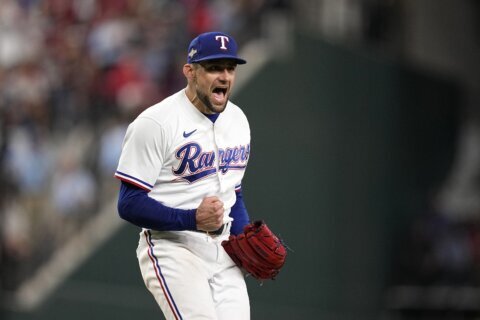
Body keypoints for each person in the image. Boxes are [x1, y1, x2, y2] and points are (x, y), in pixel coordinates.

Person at [114, 31, 251, 319]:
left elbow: (233, 191)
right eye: (214, 68)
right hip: (172, 247)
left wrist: (244, 238)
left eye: (230, 68)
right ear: (189, 71)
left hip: (224, 251)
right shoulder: (155, 123)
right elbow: (128, 202)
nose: (224, 76)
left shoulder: (238, 120)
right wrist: (191, 219)